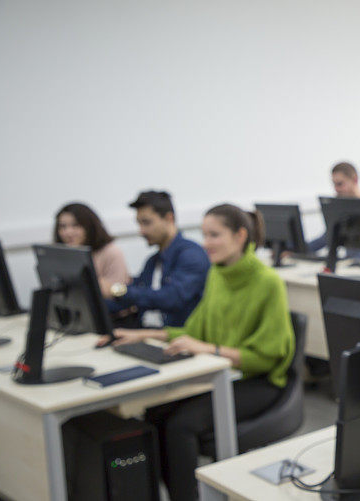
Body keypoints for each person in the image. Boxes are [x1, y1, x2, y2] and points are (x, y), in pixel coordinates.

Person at [98, 204, 295, 501]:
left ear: (240, 235)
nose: (206, 243)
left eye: (215, 235)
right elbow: (194, 332)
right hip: (222, 373)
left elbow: (267, 356)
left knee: (181, 425)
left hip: (261, 380)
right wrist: (144, 334)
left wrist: (209, 349)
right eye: (204, 235)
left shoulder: (267, 282)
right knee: (154, 413)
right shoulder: (217, 275)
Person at [102, 190, 209, 327]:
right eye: (139, 224)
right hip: (145, 335)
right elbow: (136, 296)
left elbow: (171, 298)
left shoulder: (192, 255)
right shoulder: (153, 261)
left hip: (174, 339)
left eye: (146, 223)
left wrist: (118, 290)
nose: (141, 231)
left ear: (169, 218)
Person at [307, 162, 360, 259]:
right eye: (334, 184)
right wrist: (299, 249)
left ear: (354, 180)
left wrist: (349, 262)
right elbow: (327, 238)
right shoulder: (343, 209)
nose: (336, 189)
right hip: (351, 265)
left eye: (340, 184)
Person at [53, 202, 130, 287]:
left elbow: (119, 291)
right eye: (63, 227)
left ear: (90, 227)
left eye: (75, 225)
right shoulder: (64, 254)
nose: (68, 232)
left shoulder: (111, 252)